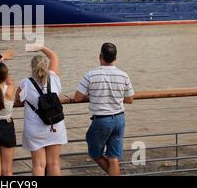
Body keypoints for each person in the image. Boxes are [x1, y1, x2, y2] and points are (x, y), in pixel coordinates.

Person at [73, 43, 134, 176]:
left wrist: (94, 96)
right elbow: (129, 99)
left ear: (100, 57)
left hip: (101, 120)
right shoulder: (123, 75)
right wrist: (115, 97)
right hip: (119, 119)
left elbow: (77, 98)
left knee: (95, 153)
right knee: (113, 158)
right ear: (115, 58)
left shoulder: (90, 75)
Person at [16, 44, 67, 176]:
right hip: (55, 126)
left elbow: (17, 100)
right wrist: (41, 47)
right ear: (46, 66)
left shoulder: (25, 83)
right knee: (54, 164)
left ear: (32, 68)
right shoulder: (53, 78)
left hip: (35, 130)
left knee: (38, 165)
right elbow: (54, 57)